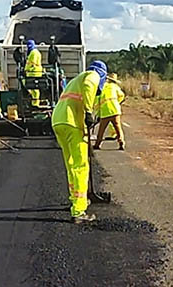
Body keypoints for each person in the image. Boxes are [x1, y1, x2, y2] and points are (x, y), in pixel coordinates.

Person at [52, 60, 107, 224]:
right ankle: (79, 210)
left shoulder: (76, 80)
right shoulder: (92, 75)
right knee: (81, 166)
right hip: (72, 123)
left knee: (71, 165)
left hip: (58, 120)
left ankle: (75, 198)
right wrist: (89, 112)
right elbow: (90, 85)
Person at [94, 73, 126, 151]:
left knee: (101, 130)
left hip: (105, 111)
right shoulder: (115, 87)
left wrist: (97, 114)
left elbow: (97, 102)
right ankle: (121, 142)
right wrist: (117, 102)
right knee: (118, 128)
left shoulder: (102, 88)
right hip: (115, 110)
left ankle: (97, 144)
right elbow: (122, 95)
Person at [25, 40, 43, 107]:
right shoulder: (36, 52)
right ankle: (34, 102)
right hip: (36, 72)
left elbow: (31, 63)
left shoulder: (33, 52)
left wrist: (26, 69)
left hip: (33, 72)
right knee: (34, 88)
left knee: (33, 88)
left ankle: (35, 103)